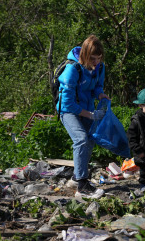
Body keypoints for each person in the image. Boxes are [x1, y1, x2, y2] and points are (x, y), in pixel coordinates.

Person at [57, 35, 110, 199]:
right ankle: (82, 185)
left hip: (86, 107)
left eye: (99, 58)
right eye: (93, 59)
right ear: (85, 55)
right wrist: (90, 114)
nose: (96, 62)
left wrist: (100, 95)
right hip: (68, 111)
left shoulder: (99, 67)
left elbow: (96, 86)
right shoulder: (72, 70)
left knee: (91, 138)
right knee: (80, 139)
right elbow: (67, 104)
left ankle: (75, 177)